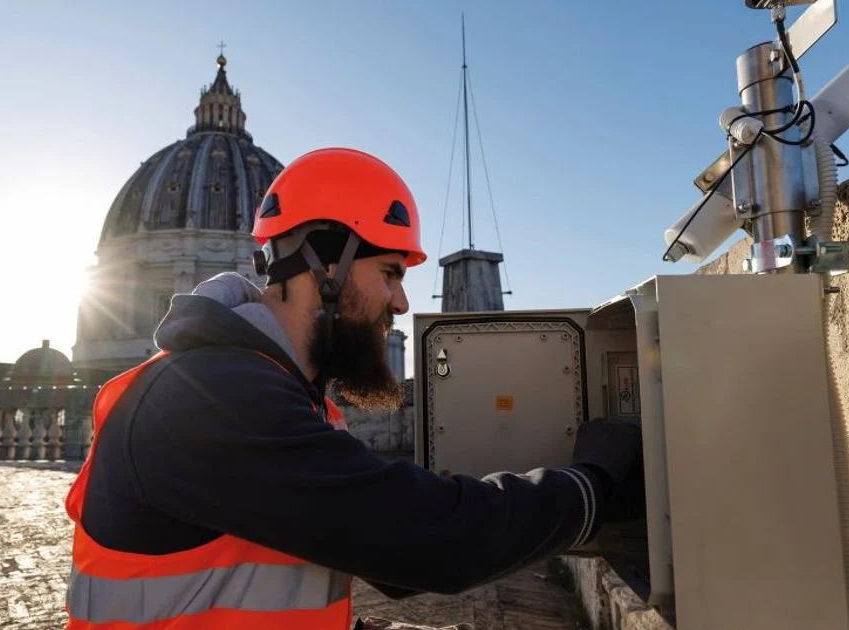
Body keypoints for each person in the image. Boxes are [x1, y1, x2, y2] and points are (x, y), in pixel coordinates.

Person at [62, 147, 644, 629]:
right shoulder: (211, 399)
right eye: (390, 272)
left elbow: (369, 554)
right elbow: (435, 541)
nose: (402, 302)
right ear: (326, 264)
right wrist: (590, 484)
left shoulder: (268, 389)